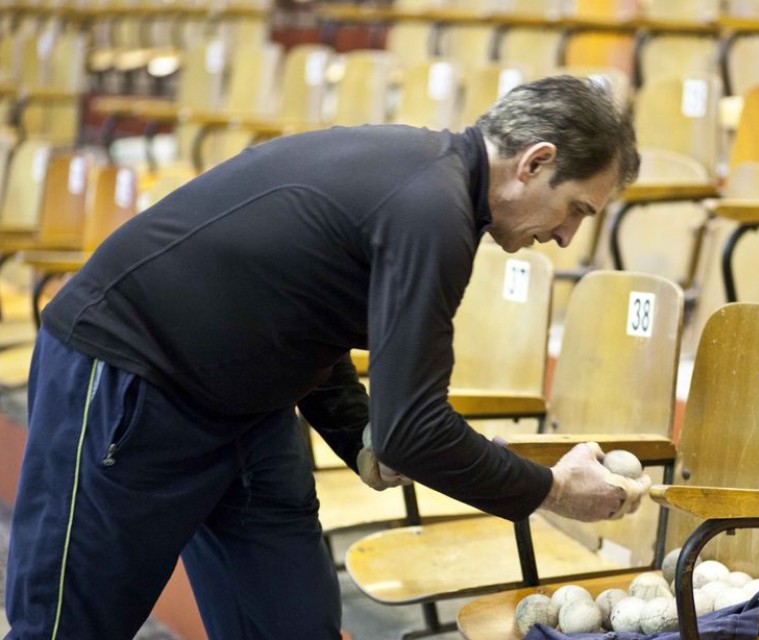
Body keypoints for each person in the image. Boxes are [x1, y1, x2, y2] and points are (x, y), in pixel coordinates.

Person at [4, 74, 644, 639]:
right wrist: (552, 488)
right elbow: (414, 431)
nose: (566, 237)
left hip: (247, 408)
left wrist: (358, 437)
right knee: (68, 628)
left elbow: (305, 309)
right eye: (576, 210)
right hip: (131, 375)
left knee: (293, 625)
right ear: (535, 162)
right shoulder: (431, 206)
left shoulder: (436, 192)